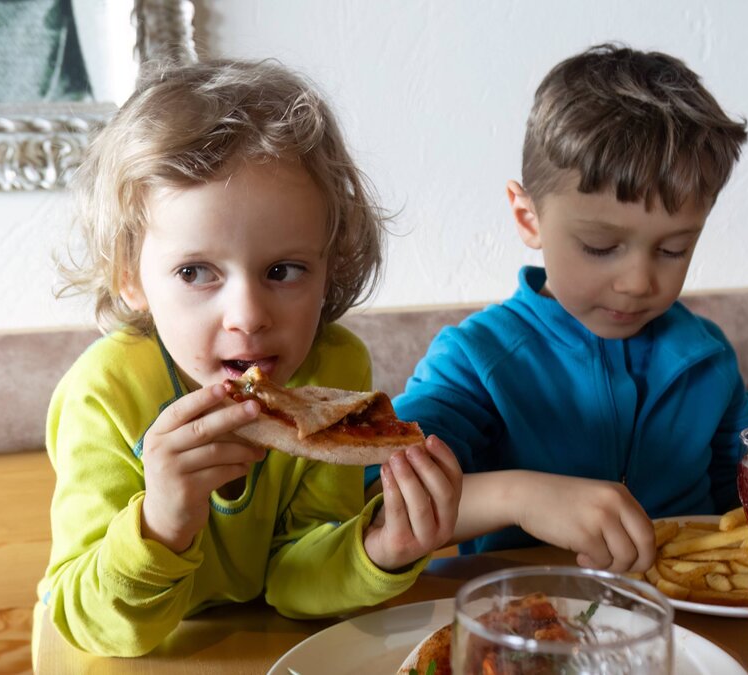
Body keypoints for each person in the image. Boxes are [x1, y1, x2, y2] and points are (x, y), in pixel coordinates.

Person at [35, 59, 463, 658]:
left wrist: (379, 549)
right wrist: (159, 525)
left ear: (330, 266)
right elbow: (85, 621)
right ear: (130, 277)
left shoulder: (334, 369)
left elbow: (291, 576)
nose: (248, 315)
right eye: (195, 272)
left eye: (283, 270)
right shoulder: (104, 395)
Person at [368, 43, 748, 573]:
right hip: (527, 617)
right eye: (600, 246)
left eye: (673, 250)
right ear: (528, 218)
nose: (638, 283)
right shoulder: (478, 359)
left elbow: (744, 509)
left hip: (680, 621)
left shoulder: (707, 357)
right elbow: (377, 499)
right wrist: (518, 497)